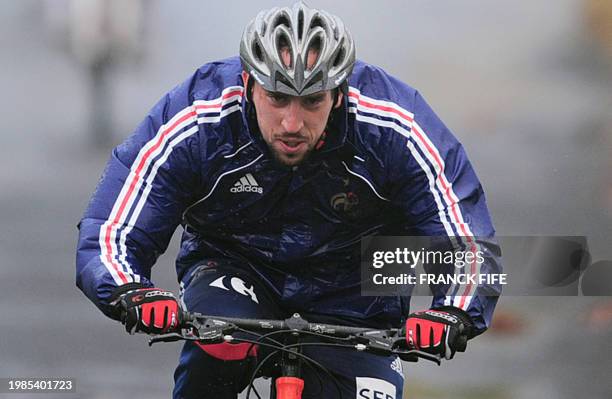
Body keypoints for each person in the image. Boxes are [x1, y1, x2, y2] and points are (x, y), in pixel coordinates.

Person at [76, 2, 502, 398]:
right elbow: (113, 227)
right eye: (277, 98)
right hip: (234, 264)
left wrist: (453, 312)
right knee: (218, 353)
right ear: (247, 84)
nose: (292, 122)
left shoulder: (396, 123)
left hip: (358, 282)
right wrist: (132, 290)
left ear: (338, 94)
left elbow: (464, 233)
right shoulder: (196, 115)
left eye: (312, 100)